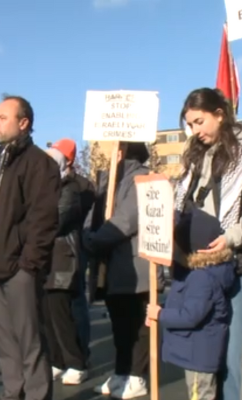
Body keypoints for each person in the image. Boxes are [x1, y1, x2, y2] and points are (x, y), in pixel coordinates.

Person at [173, 88, 242, 400]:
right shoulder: (195, 156)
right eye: (190, 125)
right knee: (202, 353)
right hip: (199, 267)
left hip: (238, 264)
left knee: (234, 353)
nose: (196, 132)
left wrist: (232, 236)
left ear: (220, 114)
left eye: (200, 122)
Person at [0, 95, 61, 400]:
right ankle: (13, 393)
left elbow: (43, 220)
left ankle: (36, 395)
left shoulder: (39, 164)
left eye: (2, 117)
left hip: (20, 270)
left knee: (29, 343)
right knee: (6, 342)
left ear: (23, 124)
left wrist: (28, 265)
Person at [82, 142, 162, 399]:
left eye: (113, 149)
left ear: (124, 151)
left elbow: (126, 220)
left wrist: (94, 240)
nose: (107, 154)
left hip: (136, 266)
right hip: (112, 264)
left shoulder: (142, 178)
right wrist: (87, 234)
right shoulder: (109, 180)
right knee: (120, 325)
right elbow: (94, 214)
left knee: (137, 324)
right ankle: (121, 372)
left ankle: (137, 377)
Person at [147, 208, 236, 400]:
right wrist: (160, 311)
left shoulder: (201, 278)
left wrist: (160, 314)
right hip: (200, 354)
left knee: (200, 395)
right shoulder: (208, 272)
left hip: (199, 358)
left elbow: (190, 315)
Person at [42, 148, 88, 385]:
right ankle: (57, 361)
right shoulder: (40, 190)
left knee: (62, 316)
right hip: (44, 261)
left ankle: (76, 363)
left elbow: (55, 221)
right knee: (48, 317)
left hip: (62, 259)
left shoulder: (69, 189)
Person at [50, 138, 95, 360]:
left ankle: (80, 351)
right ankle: (61, 355)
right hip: (58, 251)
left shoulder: (80, 186)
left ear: (67, 160)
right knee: (56, 309)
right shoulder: (54, 183)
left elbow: (65, 219)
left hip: (74, 249)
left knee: (76, 306)